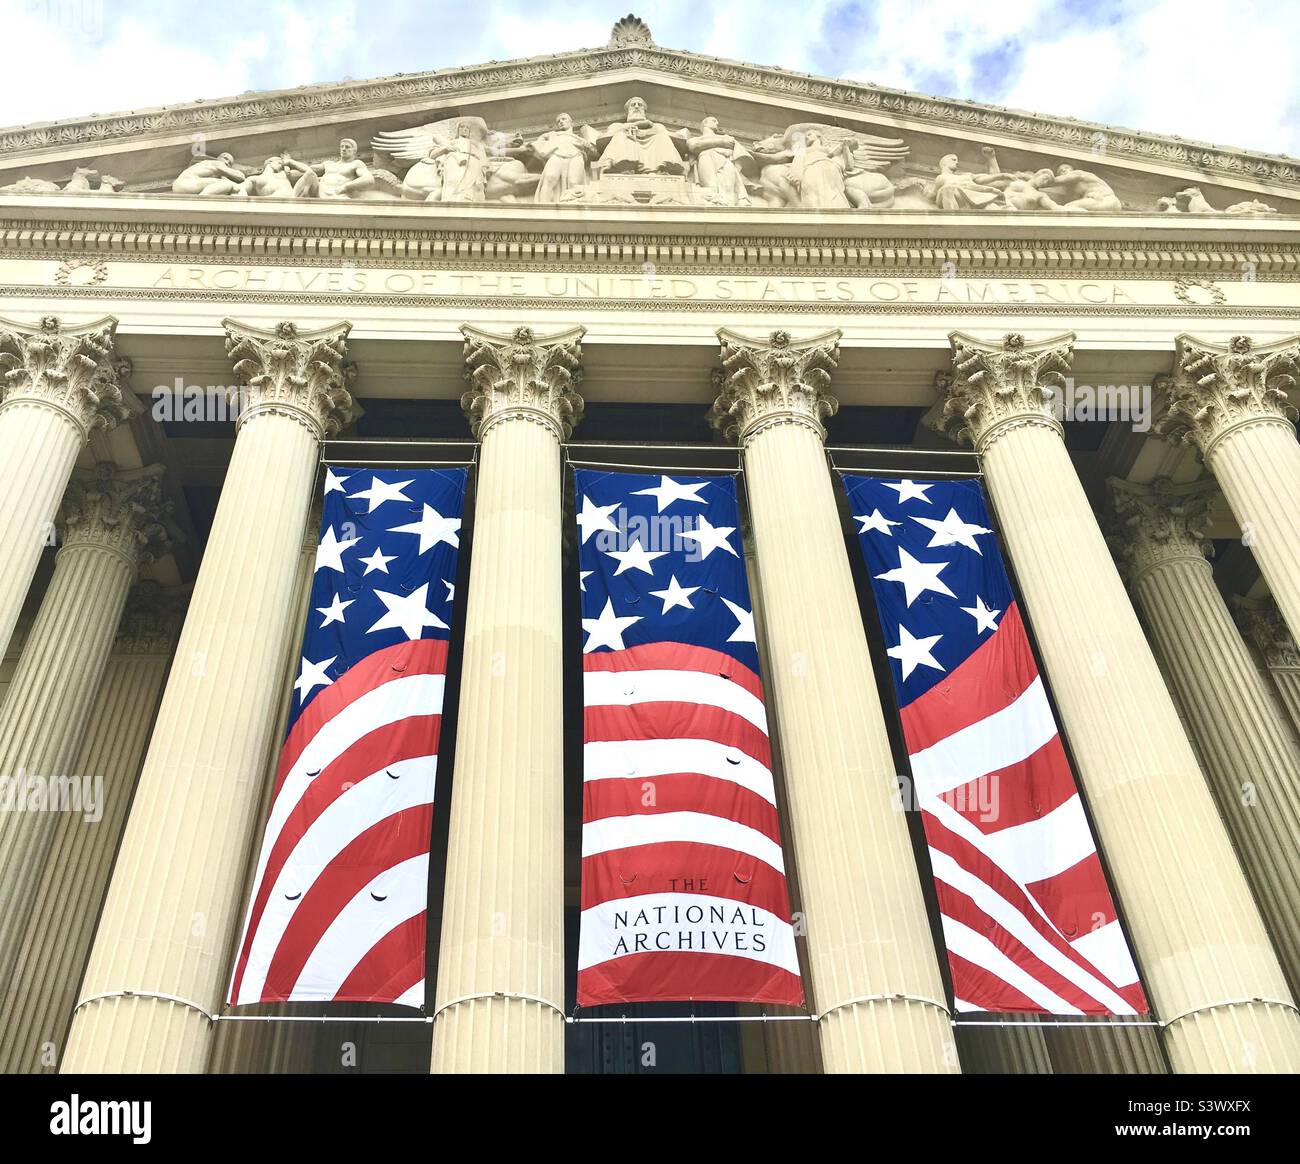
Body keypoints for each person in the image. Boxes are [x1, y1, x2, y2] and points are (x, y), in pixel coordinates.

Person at [595, 97, 686, 175]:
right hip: (629, 146)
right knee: (621, 136)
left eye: (640, 105)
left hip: (652, 147)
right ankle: (624, 166)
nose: (637, 106)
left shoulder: (657, 126)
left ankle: (663, 168)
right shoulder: (617, 126)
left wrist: (653, 129)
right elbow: (601, 139)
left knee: (661, 137)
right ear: (627, 112)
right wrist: (637, 125)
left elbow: (677, 138)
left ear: (644, 111)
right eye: (633, 105)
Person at [530, 113, 596, 202]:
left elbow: (594, 153)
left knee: (574, 182)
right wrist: (545, 147)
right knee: (549, 178)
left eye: (564, 119)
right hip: (557, 155)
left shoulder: (579, 139)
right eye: (558, 121)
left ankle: (572, 204)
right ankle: (543, 204)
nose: (561, 122)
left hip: (576, 156)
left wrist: (587, 146)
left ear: (571, 123)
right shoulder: (553, 134)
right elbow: (538, 142)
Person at [686, 116, 751, 205]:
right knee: (710, 187)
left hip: (725, 160)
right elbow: (694, 146)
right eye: (714, 121)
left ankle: (730, 212)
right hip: (706, 158)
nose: (717, 123)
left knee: (729, 187)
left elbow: (734, 147)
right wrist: (721, 143)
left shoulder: (726, 137)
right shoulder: (695, 139)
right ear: (705, 123)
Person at [281, 139, 375, 199]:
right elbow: (308, 170)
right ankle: (292, 201)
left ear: (354, 151)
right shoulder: (329, 164)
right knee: (310, 174)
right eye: (342, 147)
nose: (343, 149)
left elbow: (368, 179)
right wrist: (291, 162)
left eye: (347, 147)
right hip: (320, 193)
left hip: (339, 195)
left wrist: (346, 187)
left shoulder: (356, 164)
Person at [423, 123, 487, 202]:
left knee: (477, 187)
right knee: (454, 184)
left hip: (474, 163)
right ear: (457, 130)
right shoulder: (452, 142)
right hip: (455, 163)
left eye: (467, 128)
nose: (465, 129)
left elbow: (486, 154)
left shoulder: (475, 144)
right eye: (462, 127)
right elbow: (432, 154)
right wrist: (445, 149)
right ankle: (452, 202)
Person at [172, 153, 246, 196]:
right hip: (187, 182)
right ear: (218, 158)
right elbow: (241, 177)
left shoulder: (212, 170)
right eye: (225, 158)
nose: (226, 162)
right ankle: (201, 200)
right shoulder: (217, 163)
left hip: (179, 185)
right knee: (228, 184)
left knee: (228, 185)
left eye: (229, 163)